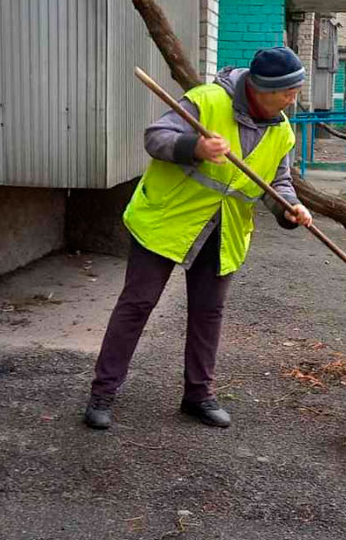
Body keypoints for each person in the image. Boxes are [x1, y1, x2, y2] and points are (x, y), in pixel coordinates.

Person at [84, 47, 313, 430]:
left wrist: (289, 209)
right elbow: (155, 137)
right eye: (287, 92)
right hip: (168, 220)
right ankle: (102, 393)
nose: (294, 99)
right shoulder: (206, 101)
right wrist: (196, 147)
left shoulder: (282, 130)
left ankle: (198, 396)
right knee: (137, 304)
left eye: (296, 91)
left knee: (208, 314)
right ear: (259, 88)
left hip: (225, 230)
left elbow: (279, 183)